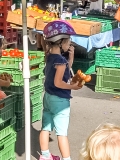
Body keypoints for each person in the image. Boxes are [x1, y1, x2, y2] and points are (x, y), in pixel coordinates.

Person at [39, 20, 84, 160]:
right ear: (60, 42)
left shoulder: (50, 57)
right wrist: (73, 87)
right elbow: (59, 82)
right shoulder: (60, 61)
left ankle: (45, 155)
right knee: (62, 133)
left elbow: (63, 71)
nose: (69, 44)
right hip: (60, 101)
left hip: (48, 97)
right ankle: (66, 158)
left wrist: (71, 58)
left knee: (46, 128)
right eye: (68, 41)